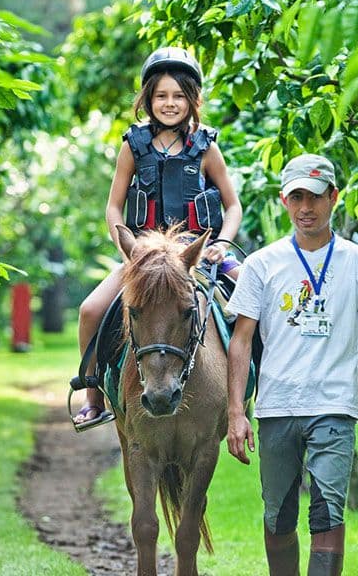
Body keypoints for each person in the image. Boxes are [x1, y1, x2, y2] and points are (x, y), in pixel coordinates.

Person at [225, 154, 358, 576]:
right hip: (277, 408)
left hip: (334, 407)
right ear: (284, 201)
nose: (306, 207)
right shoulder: (261, 265)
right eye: (297, 197)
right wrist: (236, 412)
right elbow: (241, 340)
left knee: (328, 514)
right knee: (278, 516)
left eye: (316, 197)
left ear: (334, 198)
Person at [72, 47, 243, 430]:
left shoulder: (206, 147)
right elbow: (114, 207)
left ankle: (251, 393)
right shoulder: (132, 146)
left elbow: (233, 206)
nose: (170, 103)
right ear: (148, 99)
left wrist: (221, 243)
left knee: (254, 300)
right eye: (161, 96)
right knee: (89, 311)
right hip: (145, 260)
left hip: (197, 257)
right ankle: (94, 396)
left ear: (192, 99)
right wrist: (128, 249)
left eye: (178, 95)